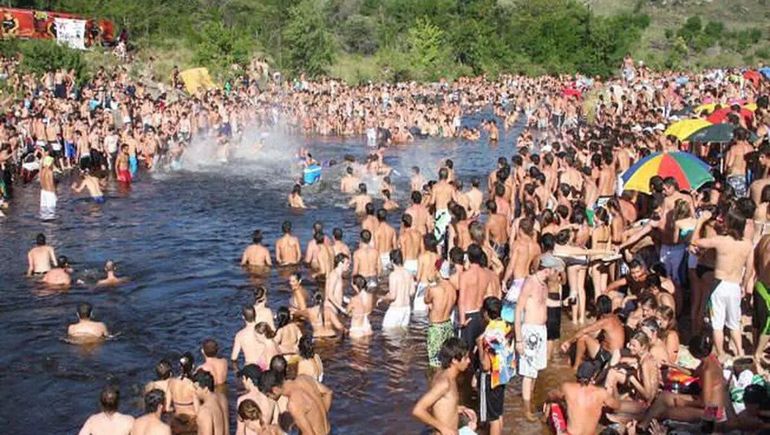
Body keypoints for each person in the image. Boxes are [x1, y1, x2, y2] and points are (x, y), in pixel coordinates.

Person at [691, 209, 752, 358]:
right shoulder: (747, 244)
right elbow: (749, 269)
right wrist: (744, 285)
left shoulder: (721, 241)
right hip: (735, 285)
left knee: (717, 324)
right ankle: (740, 352)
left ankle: (721, 354)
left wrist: (700, 221)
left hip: (719, 285)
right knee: (734, 323)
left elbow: (695, 241)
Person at [515, 254, 564, 421]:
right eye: (555, 271)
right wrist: (519, 339)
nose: (556, 275)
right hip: (530, 332)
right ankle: (526, 410)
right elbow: (518, 310)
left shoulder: (544, 285)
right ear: (547, 269)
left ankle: (530, 401)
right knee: (528, 373)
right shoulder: (530, 283)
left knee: (535, 370)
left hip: (541, 331)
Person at [412, 337, 476, 435]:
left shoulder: (444, 375)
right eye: (466, 358)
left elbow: (436, 404)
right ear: (454, 360)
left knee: (472, 427)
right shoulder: (445, 383)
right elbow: (418, 410)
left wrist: (456, 408)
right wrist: (443, 428)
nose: (469, 361)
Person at [546, 362, 620, 435]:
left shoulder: (567, 387)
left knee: (553, 405)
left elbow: (551, 395)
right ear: (593, 376)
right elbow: (617, 405)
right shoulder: (602, 393)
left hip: (570, 434)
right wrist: (614, 387)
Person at [476, 297, 514, 435]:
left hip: (491, 378)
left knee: (492, 418)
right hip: (503, 375)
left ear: (486, 313)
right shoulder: (506, 325)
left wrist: (479, 345)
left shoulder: (488, 334)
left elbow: (486, 365)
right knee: (498, 414)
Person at [262, 370, 331, 435]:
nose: (269, 398)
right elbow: (328, 393)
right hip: (328, 431)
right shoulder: (304, 378)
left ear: (275, 390)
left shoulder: (293, 404)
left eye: (268, 395)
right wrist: (321, 416)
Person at [425, 276, 457, 368]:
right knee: (447, 357)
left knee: (433, 360)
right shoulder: (453, 289)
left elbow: (426, 300)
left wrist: (428, 287)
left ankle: (433, 376)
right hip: (448, 324)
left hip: (436, 327)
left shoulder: (434, 290)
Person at [381, 249, 415, 329]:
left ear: (392, 261)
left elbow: (393, 296)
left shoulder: (393, 275)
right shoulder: (409, 273)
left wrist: (383, 298)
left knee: (387, 331)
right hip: (406, 308)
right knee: (402, 332)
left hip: (396, 309)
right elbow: (412, 292)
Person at [192, 370, 228, 435]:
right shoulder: (222, 398)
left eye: (196, 388)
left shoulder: (204, 411)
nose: (194, 391)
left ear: (205, 389)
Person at [753, 234, 770, 365]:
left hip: (759, 284)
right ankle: (758, 354)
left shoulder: (765, 239)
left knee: (757, 321)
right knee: (768, 323)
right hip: (767, 289)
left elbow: (756, 257)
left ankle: (755, 349)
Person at [39, 155, 57, 219]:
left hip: (43, 191)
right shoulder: (50, 171)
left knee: (43, 211)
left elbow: (41, 182)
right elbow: (51, 183)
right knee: (51, 211)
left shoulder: (42, 171)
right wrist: (55, 193)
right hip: (50, 192)